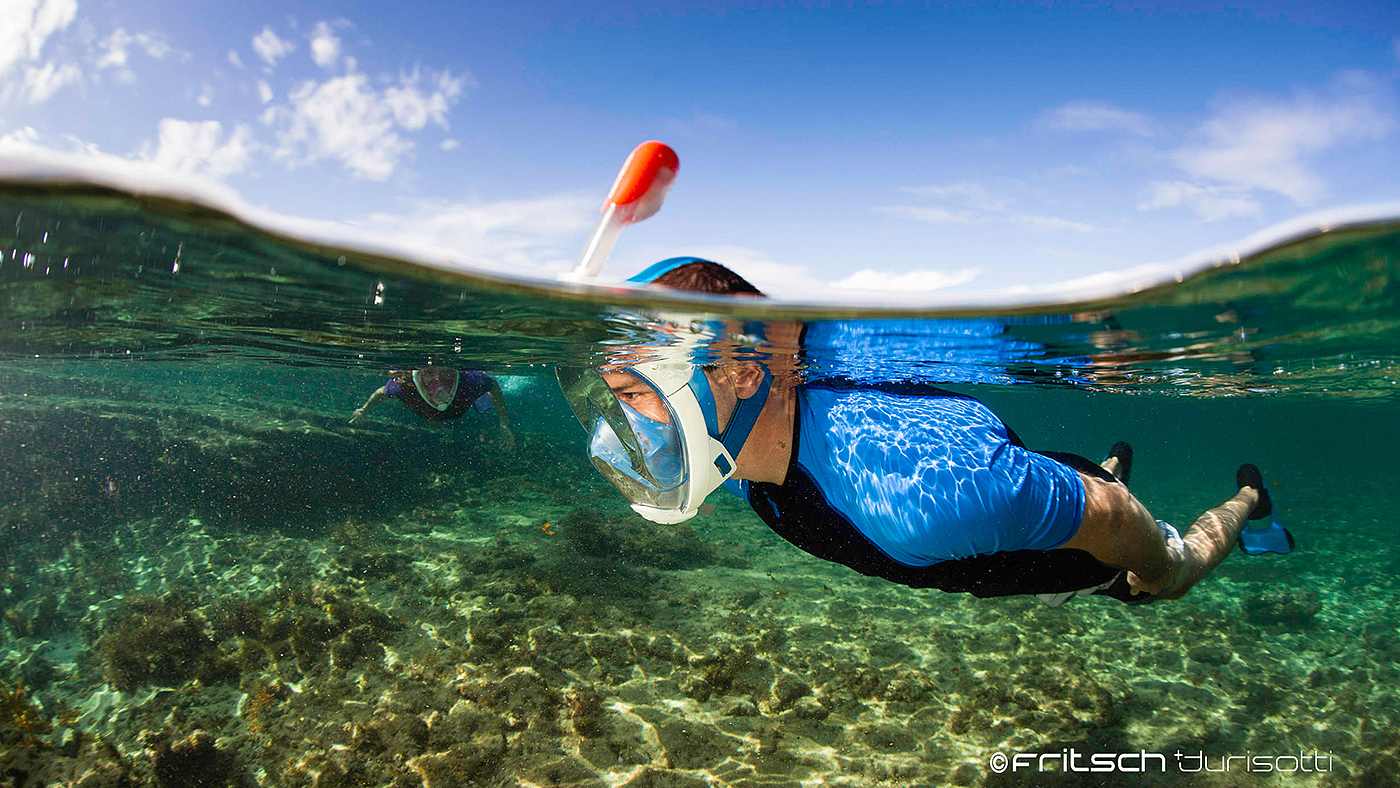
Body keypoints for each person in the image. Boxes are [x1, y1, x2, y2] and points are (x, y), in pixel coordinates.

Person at [559, 258, 1294, 605]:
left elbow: (1106, 518)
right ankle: (1104, 467)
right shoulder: (748, 463)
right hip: (1003, 519)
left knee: (1158, 563)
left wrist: (1155, 565)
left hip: (1069, 543)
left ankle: (1248, 500)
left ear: (746, 372)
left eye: (637, 394)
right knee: (1080, 489)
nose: (617, 431)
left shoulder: (927, 498)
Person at [352, 366, 516, 448]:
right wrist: (363, 410)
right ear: (418, 375)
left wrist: (504, 423)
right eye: (430, 374)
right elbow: (381, 392)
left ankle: (475, 404)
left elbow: (493, 384)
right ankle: (444, 425)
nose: (439, 383)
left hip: (459, 407)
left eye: (446, 374)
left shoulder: (468, 381)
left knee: (472, 405)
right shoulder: (404, 386)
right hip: (427, 410)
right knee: (430, 416)